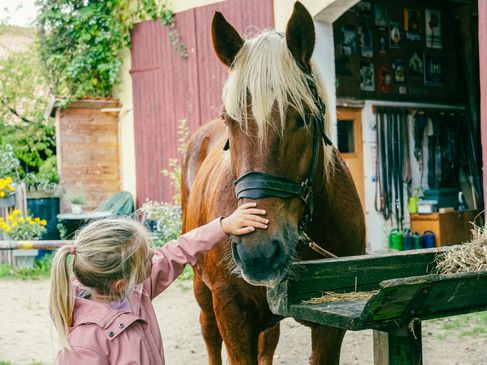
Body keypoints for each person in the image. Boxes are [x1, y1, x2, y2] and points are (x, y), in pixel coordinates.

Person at [50, 202, 268, 364]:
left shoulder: (134, 291)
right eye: (147, 258)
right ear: (122, 284)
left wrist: (223, 226)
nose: (155, 255)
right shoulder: (82, 343)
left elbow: (178, 250)